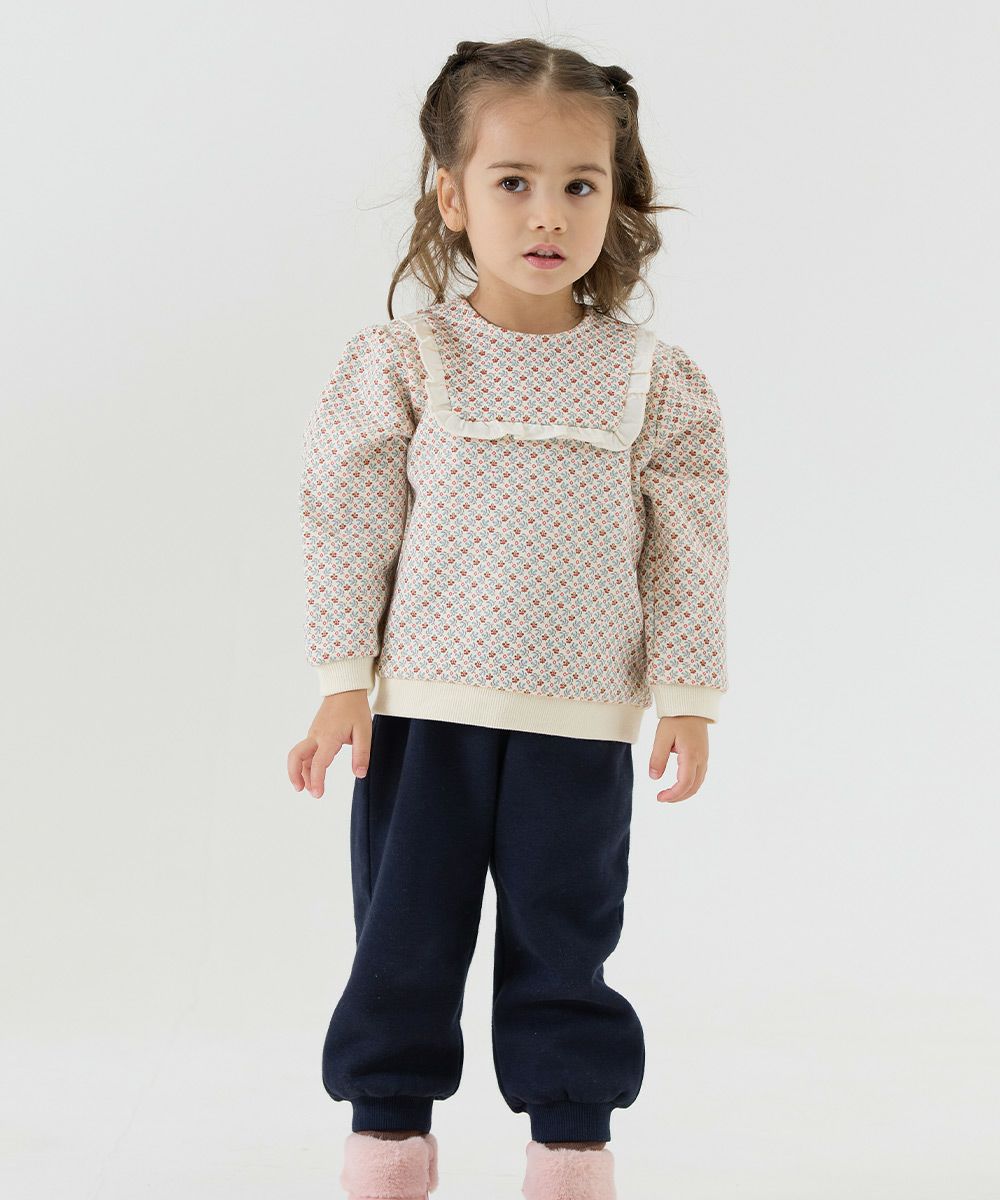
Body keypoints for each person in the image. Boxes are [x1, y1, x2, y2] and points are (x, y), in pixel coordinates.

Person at [287, 36, 731, 1200]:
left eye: (579, 185)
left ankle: (569, 1147)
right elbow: (348, 520)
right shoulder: (407, 360)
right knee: (404, 934)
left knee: (565, 937)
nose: (547, 214)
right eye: (513, 182)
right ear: (453, 196)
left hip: (578, 725)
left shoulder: (654, 380)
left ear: (616, 197)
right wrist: (341, 682)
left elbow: (687, 547)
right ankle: (388, 1138)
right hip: (421, 716)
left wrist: (686, 698)